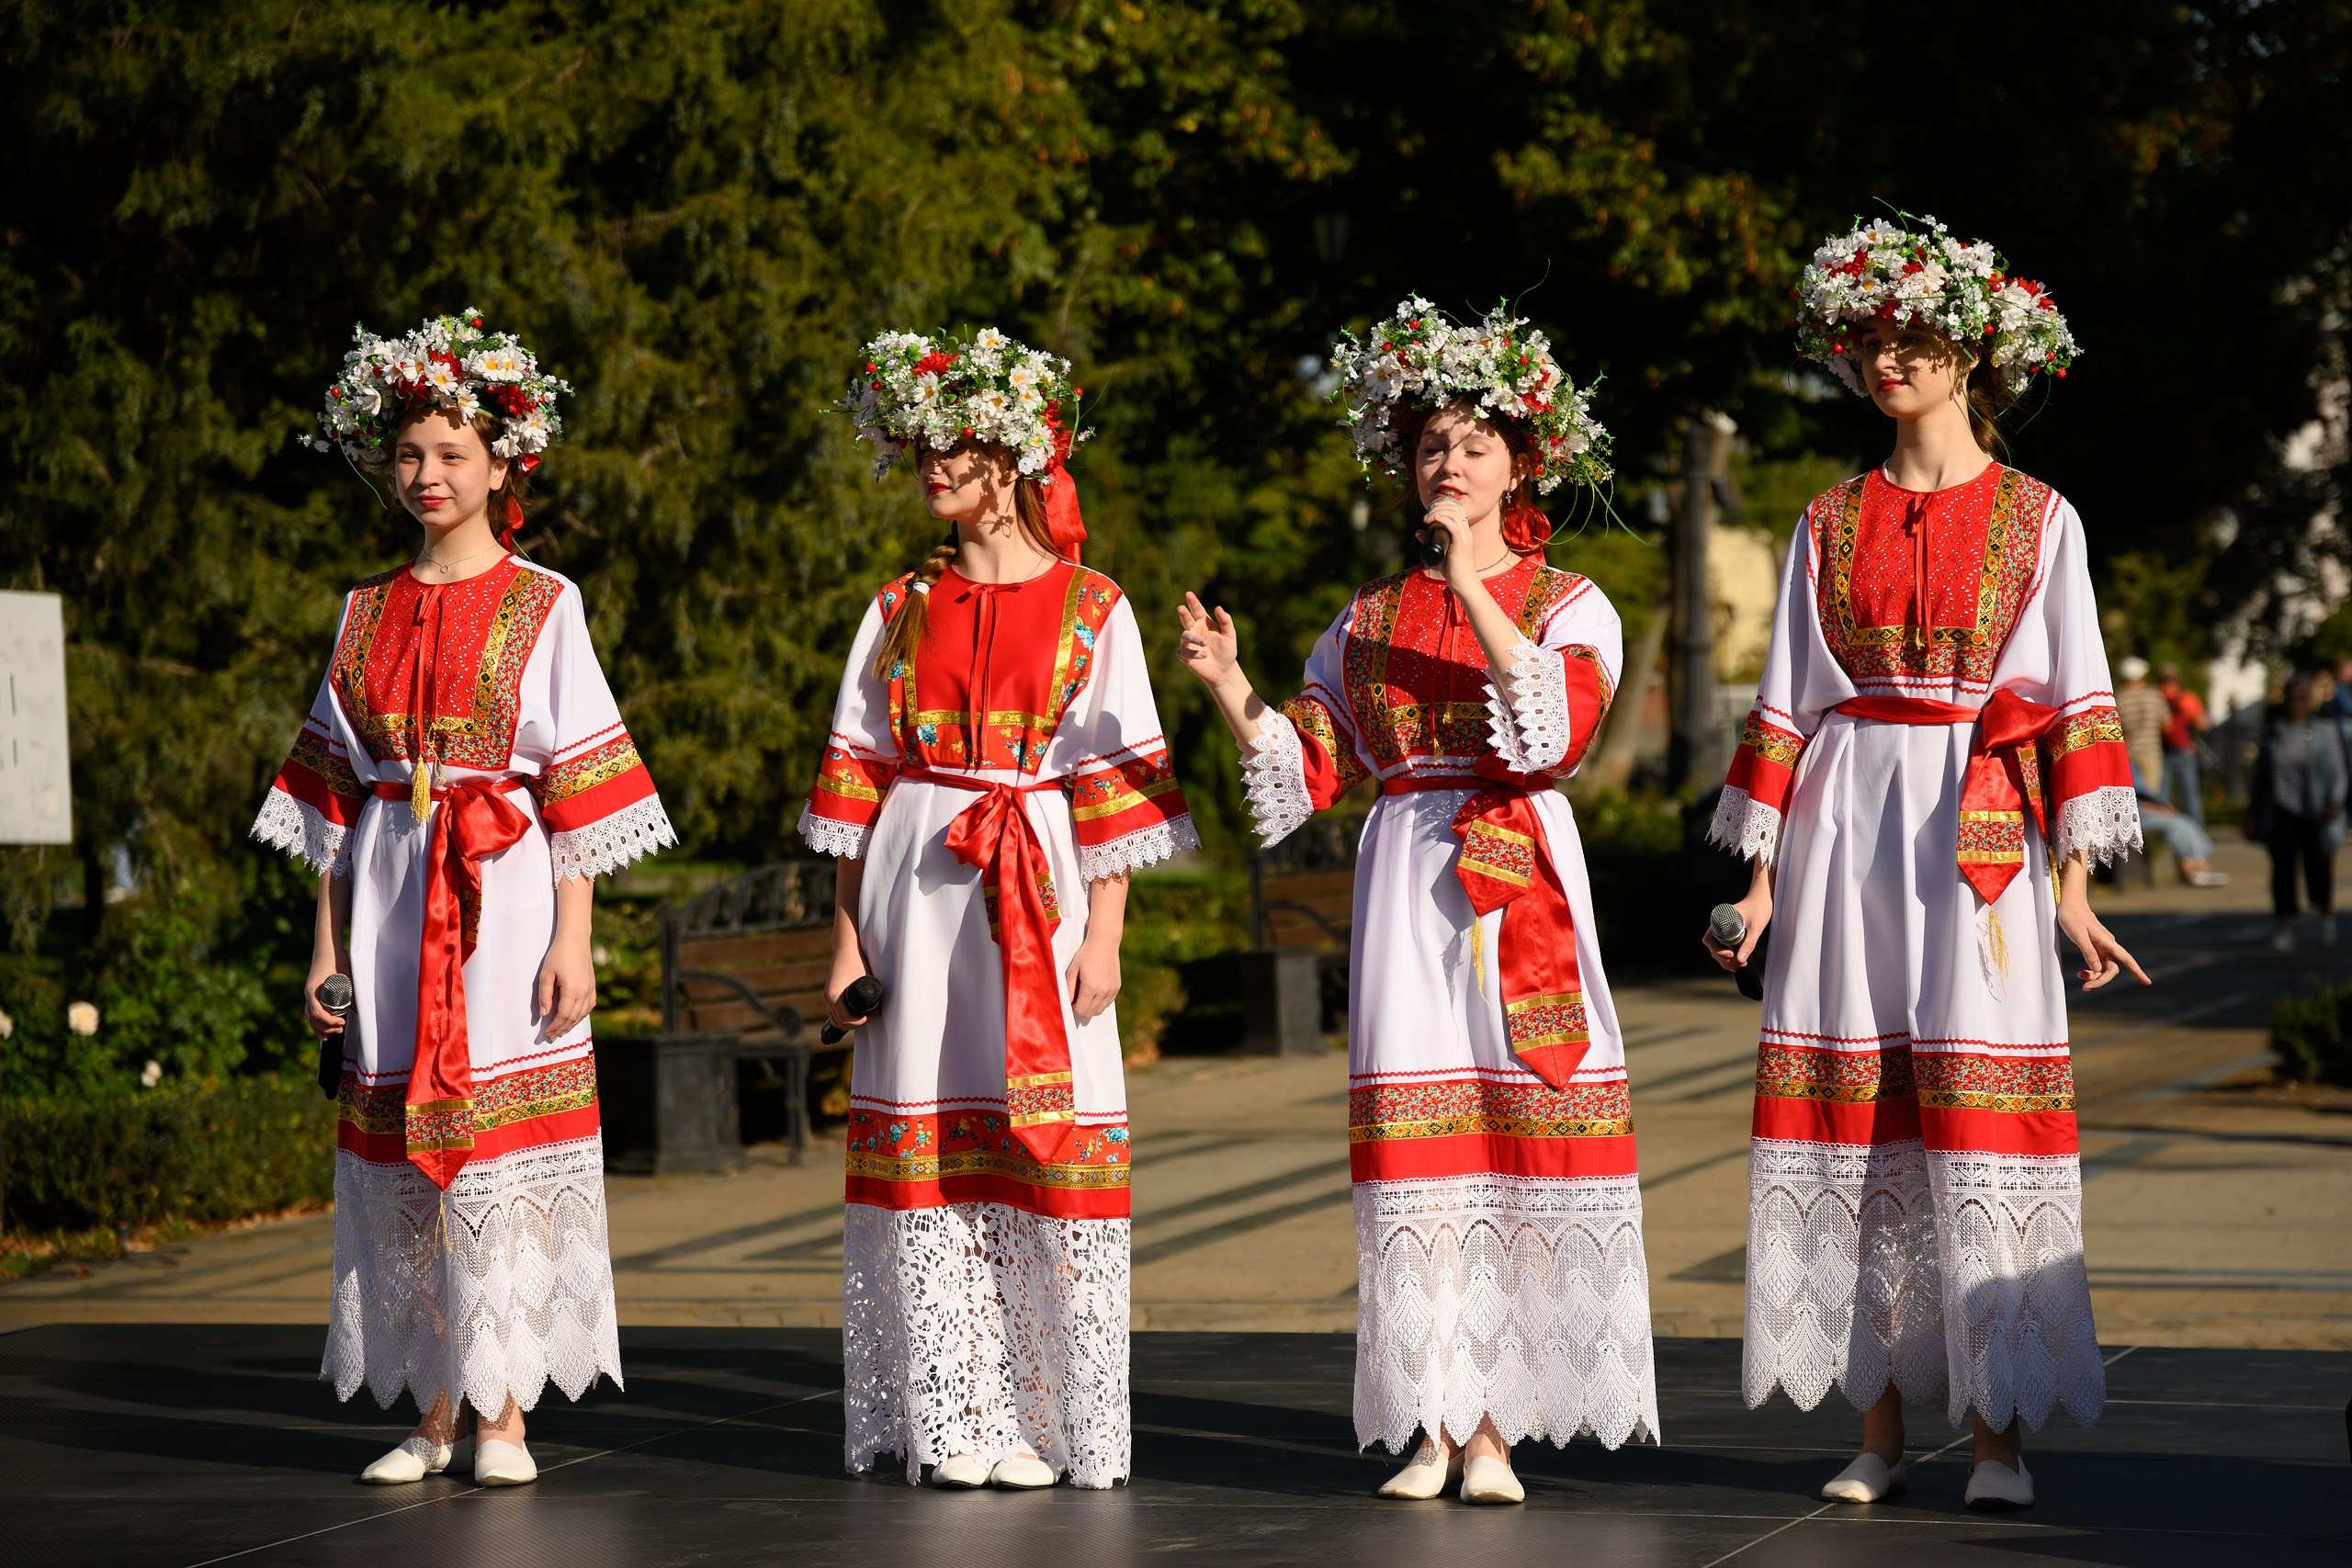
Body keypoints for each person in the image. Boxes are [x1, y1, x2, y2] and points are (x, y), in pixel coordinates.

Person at [1179, 298, 1658, 1506]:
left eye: (1472, 445)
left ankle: (1498, 1426)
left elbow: (1552, 726)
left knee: (1511, 1140)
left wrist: (1471, 578)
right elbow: (1313, 769)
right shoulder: (1368, 619)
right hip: (1407, 870)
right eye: (1431, 445)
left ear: (1519, 465)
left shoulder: (1569, 599)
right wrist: (1237, 687)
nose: (1446, 464)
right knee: (1421, 1153)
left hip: (1518, 874)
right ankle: (1434, 1418)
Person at [1703, 219, 2148, 1512]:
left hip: (1980, 824)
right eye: (1868, 339)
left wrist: (2076, 884)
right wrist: (1764, 881)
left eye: (1912, 337)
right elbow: (1787, 699)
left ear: (1970, 350)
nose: (1886, 357)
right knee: (1859, 1110)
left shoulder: (2038, 515)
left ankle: (1999, 1435)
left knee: (1977, 1102)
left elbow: (2076, 697)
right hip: (1849, 820)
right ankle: (1880, 1429)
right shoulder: (1829, 516)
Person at [255, 312, 676, 1486]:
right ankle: (431, 1407)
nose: (427, 475)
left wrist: (576, 939)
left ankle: (505, 1414)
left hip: (505, 900)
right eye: (409, 455)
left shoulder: (546, 603)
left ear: (500, 463)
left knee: (499, 1148)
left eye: (450, 453)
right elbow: (331, 804)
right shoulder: (364, 611)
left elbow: (584, 784)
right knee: (403, 1153)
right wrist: (324, 950)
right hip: (393, 899)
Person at [803, 327, 1198, 1490]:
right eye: (924, 444)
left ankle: (1046, 1414)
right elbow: (853, 783)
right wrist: (843, 939)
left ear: (1019, 458)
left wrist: (1109, 934)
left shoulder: (1093, 606)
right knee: (929, 1136)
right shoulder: (898, 607)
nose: (937, 464)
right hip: (916, 887)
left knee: (1043, 1135)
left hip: (1041, 885)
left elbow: (1116, 778)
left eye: (963, 445)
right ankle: (952, 1417)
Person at [2246, 673, 2348, 951]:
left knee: (2319, 866)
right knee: (2283, 870)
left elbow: (2339, 771)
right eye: (2293, 698)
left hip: (2316, 811)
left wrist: (2334, 800)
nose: (2297, 704)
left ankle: (2324, 915)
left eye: (2303, 698)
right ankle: (2285, 923)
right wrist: (2253, 813)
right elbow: (2260, 778)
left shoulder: (2325, 730)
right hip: (2282, 810)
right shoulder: (2275, 732)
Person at [2155, 663, 2210, 825]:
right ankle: (2197, 836)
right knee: (2191, 796)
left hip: (2162, 752)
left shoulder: (2156, 697)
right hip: (2184, 750)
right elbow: (2203, 725)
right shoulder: (2186, 698)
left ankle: (2163, 835)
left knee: (2162, 797)